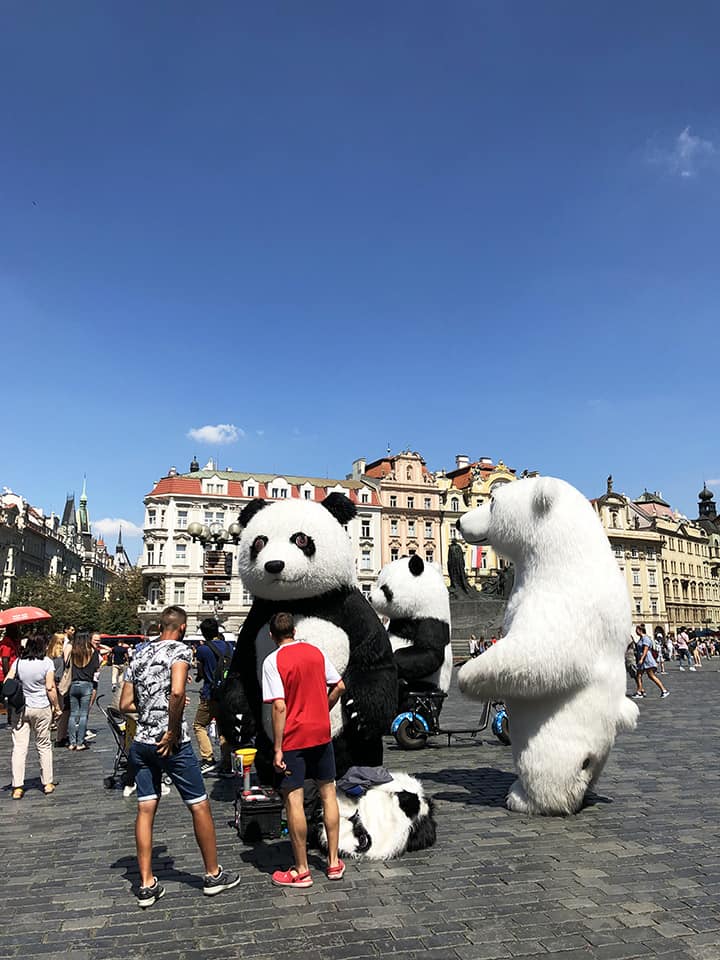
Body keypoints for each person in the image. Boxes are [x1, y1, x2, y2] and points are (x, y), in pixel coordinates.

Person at [119, 605, 240, 907]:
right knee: (198, 805)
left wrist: (147, 712)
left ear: (160, 625)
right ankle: (213, 874)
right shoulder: (181, 651)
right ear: (183, 628)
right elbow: (176, 693)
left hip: (142, 743)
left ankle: (146, 884)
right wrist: (171, 731)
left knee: (145, 808)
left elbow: (124, 703)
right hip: (172, 743)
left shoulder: (139, 653)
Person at [262, 611, 346, 888]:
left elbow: (278, 705)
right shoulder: (315, 652)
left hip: (293, 738)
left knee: (294, 801)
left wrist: (277, 747)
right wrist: (324, 708)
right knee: (328, 793)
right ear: (294, 632)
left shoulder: (273, 660)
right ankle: (333, 863)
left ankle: (302, 869)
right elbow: (339, 686)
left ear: (272, 635)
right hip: (321, 733)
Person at [9, 633, 62, 798]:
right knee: (44, 745)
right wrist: (57, 707)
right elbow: (50, 688)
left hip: (20, 708)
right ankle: (47, 783)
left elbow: (8, 681)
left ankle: (17, 786)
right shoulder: (47, 663)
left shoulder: (18, 662)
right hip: (41, 707)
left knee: (19, 747)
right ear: (43, 646)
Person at [192, 618, 234, 777]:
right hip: (227, 695)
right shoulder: (230, 648)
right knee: (224, 728)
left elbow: (201, 673)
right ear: (218, 630)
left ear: (203, 633)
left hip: (210, 693)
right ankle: (227, 762)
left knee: (199, 725)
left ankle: (208, 758)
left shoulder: (203, 650)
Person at [68, 635, 100, 749]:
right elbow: (97, 670)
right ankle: (80, 742)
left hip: (74, 683)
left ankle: (72, 742)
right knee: (83, 715)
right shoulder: (93, 652)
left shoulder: (74, 652)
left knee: (73, 714)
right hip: (86, 684)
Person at [634, 624, 669, 700]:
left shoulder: (645, 638)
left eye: (636, 630)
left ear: (640, 630)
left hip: (646, 660)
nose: (636, 631)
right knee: (638, 675)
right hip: (643, 660)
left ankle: (664, 690)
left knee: (651, 676)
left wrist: (641, 659)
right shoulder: (641, 638)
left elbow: (645, 650)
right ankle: (639, 692)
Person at [1, 624, 22, 724]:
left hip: (14, 671)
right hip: (7, 673)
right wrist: (8, 676)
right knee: (9, 695)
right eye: (16, 630)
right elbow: (5, 660)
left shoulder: (15, 642)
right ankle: (10, 718)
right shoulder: (6, 644)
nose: (18, 632)